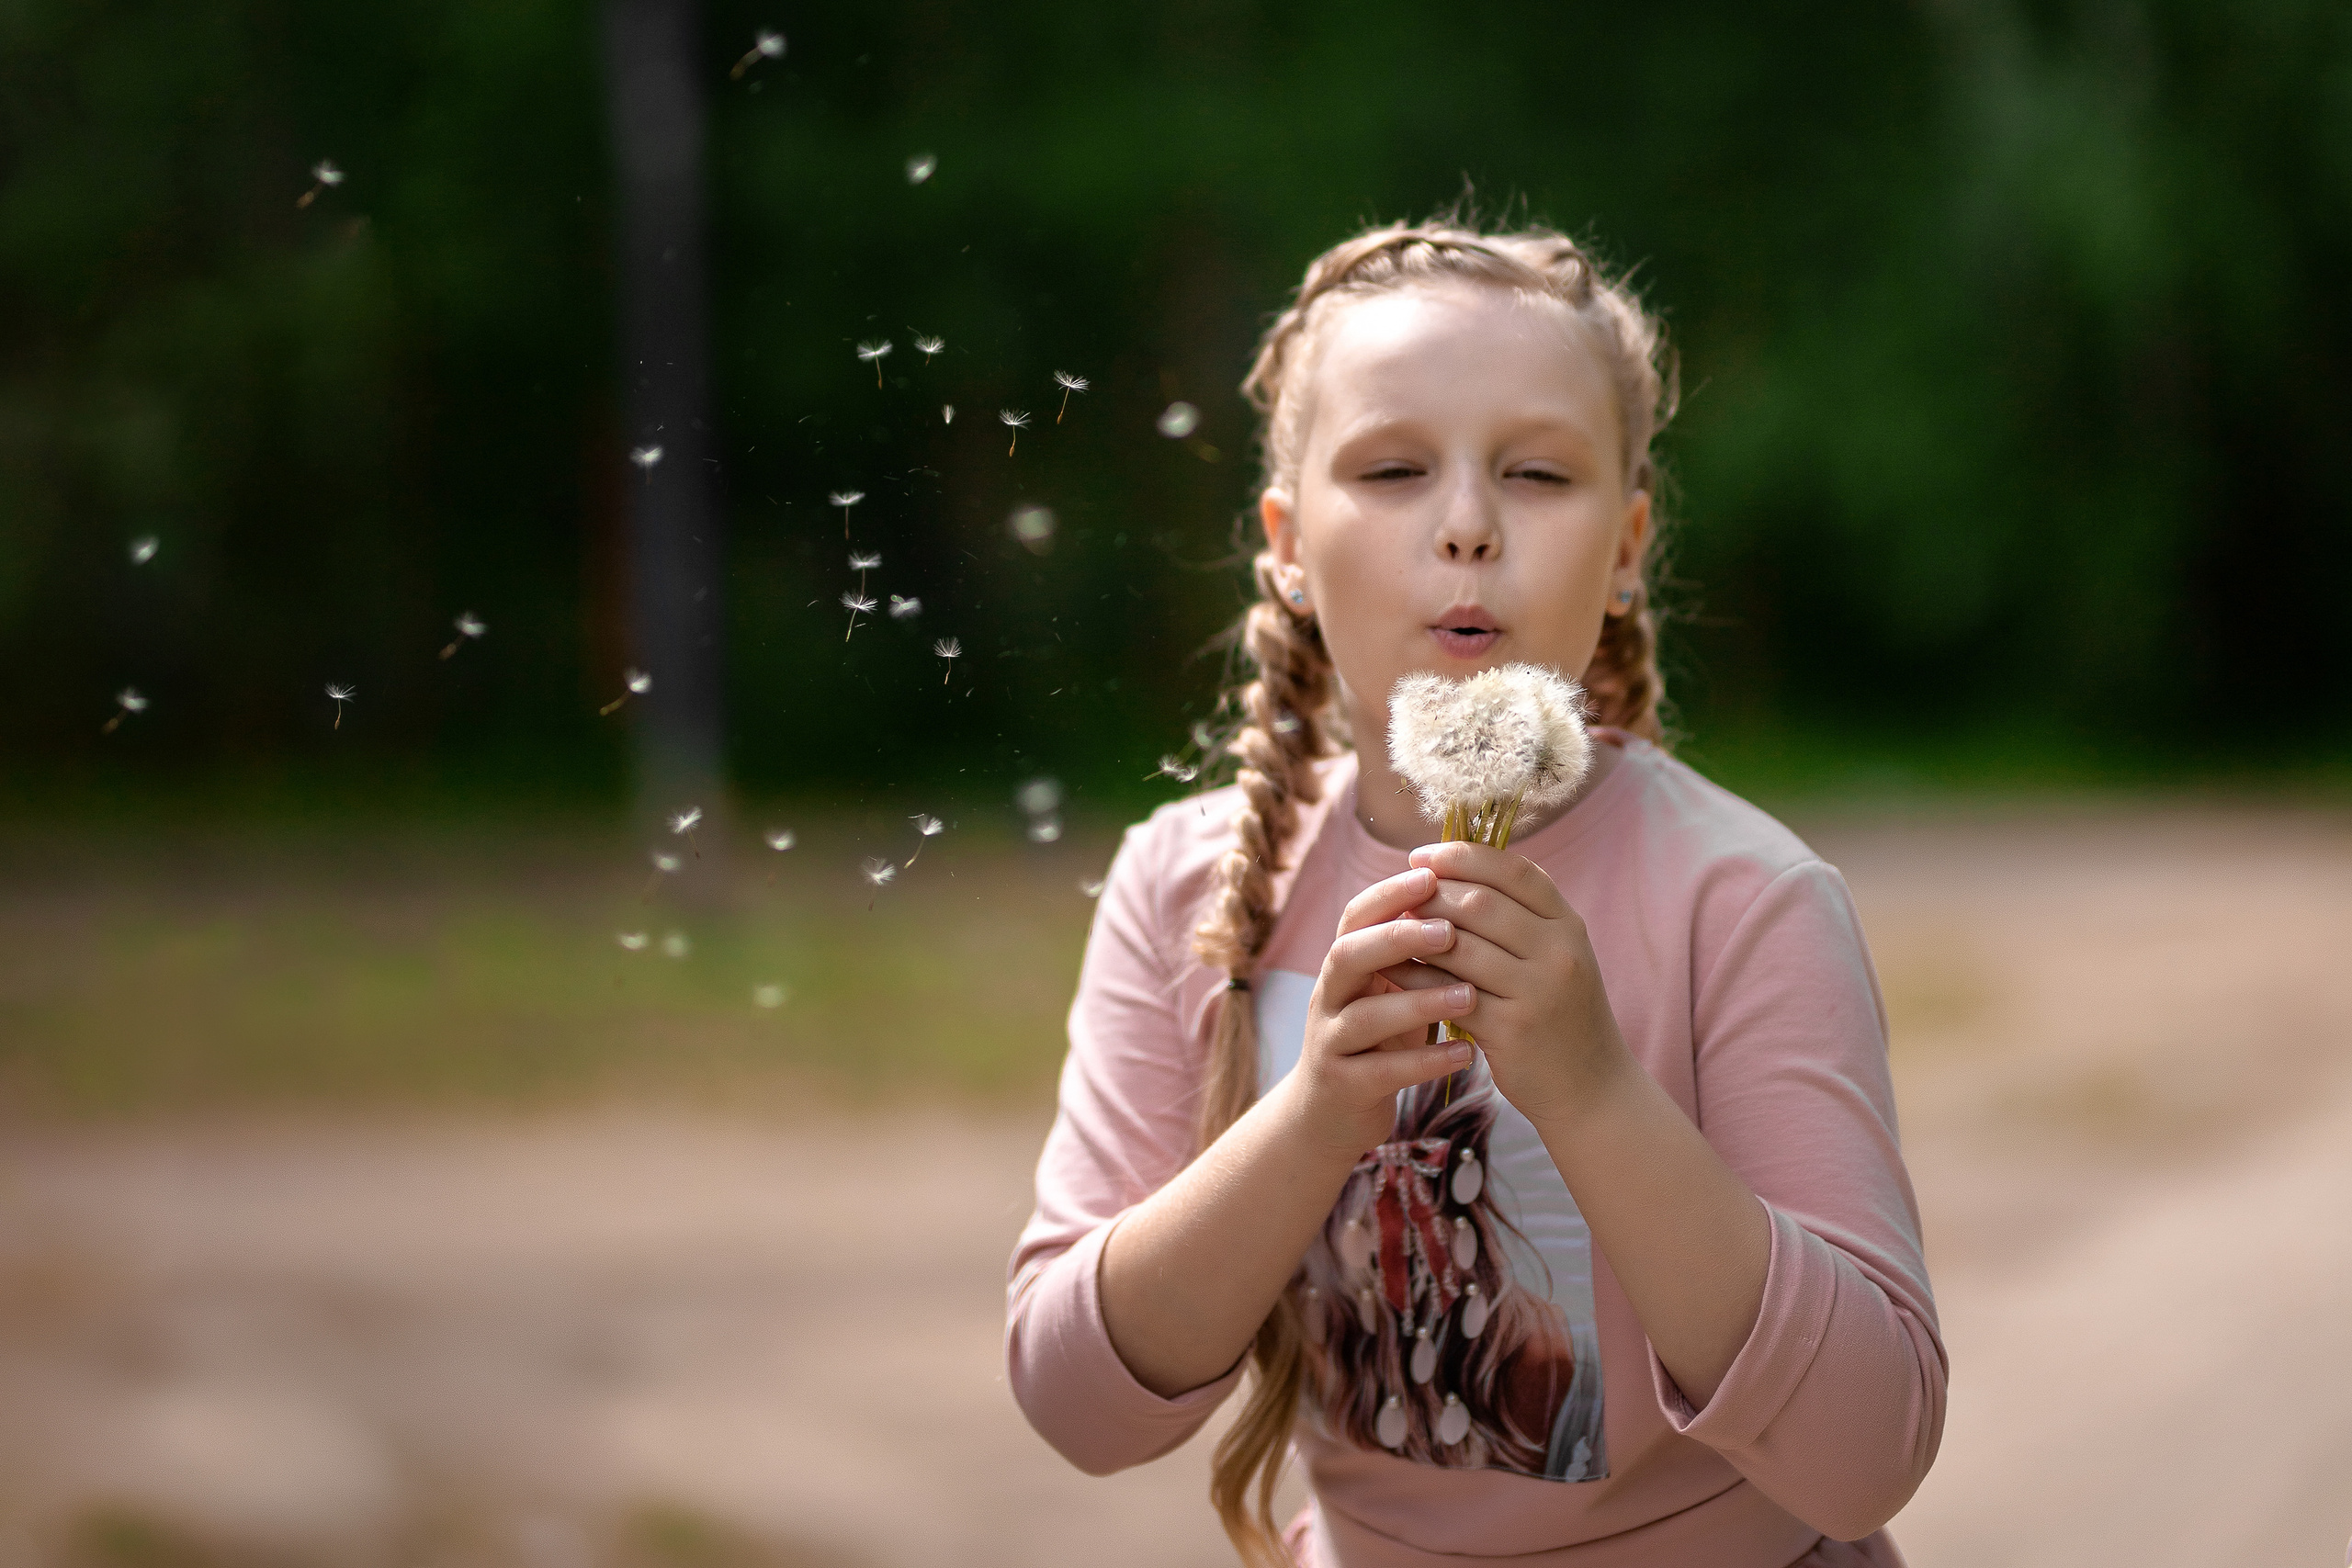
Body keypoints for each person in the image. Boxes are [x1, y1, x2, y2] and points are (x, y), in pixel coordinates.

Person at [1005, 219, 1945, 1567]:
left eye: (1538, 473)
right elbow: (1073, 1401)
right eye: (1392, 468)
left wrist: (1591, 1089)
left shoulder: (1743, 899)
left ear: (1628, 544)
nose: (1465, 527)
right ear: (1283, 543)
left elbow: (1866, 1457)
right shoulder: (1187, 887)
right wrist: (1319, 1115)